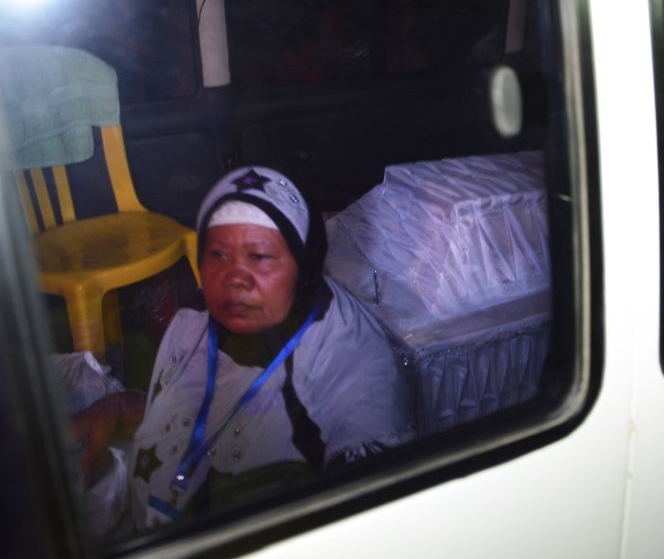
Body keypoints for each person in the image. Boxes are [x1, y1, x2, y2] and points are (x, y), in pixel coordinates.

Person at [71, 166, 414, 530]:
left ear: (304, 267)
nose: (233, 278)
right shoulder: (198, 316)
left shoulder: (355, 365)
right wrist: (123, 410)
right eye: (219, 254)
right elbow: (210, 413)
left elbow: (362, 519)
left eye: (260, 256)